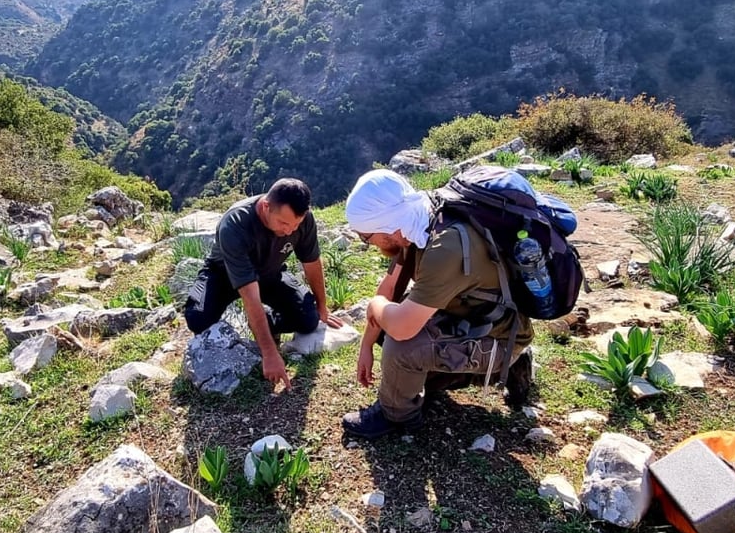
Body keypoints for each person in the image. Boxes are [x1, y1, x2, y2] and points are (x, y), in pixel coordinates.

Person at [341, 169, 534, 439]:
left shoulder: (444, 246)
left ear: (385, 227)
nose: (369, 244)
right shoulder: (417, 222)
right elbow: (389, 289)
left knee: (401, 346)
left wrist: (374, 306)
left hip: (498, 334)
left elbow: (402, 327)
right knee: (389, 331)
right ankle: (482, 369)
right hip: (473, 317)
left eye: (366, 237)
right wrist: (366, 346)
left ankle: (397, 417)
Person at [184, 178, 343, 390]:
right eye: (283, 223)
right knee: (198, 319)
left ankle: (265, 322)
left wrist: (322, 307)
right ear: (266, 206)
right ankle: (255, 327)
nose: (289, 231)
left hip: (270, 272)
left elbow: (311, 263)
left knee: (308, 319)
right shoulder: (235, 224)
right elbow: (250, 295)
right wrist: (269, 353)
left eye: (295, 225)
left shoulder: (302, 221)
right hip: (223, 275)